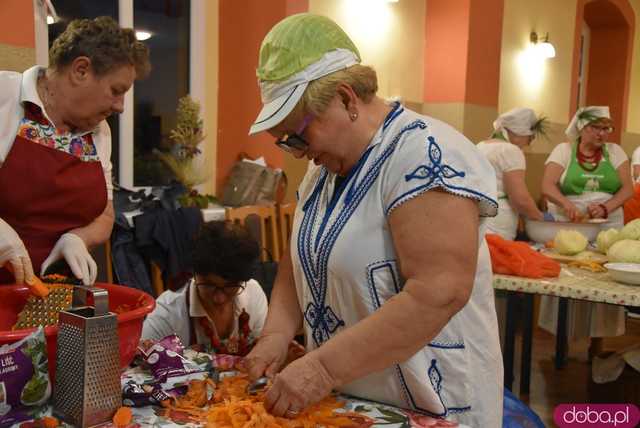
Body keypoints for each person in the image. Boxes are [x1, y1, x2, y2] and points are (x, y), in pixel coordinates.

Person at [244, 14, 502, 427]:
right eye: (284, 140)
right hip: (352, 403)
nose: (295, 152)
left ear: (347, 99)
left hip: (430, 405)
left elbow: (439, 291)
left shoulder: (425, 154)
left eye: (298, 136)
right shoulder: (322, 172)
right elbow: (299, 265)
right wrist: (276, 335)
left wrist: (322, 369)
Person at [0, 17, 150, 285]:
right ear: (81, 70)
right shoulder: (6, 97)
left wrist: (79, 238)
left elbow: (105, 214)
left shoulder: (99, 132)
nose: (120, 106)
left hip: (57, 296)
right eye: (116, 91)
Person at [539, 106, 632, 340]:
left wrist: (604, 207)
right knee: (569, 274)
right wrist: (567, 205)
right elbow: (547, 185)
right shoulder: (564, 151)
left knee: (604, 278)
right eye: (596, 128)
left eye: (606, 128)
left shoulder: (615, 151)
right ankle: (563, 338)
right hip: (573, 224)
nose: (602, 134)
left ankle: (599, 342)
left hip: (607, 222)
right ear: (582, 127)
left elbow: (627, 188)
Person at [141, 221, 269, 355]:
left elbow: (264, 349)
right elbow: (139, 362)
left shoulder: (253, 294)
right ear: (194, 274)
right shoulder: (167, 314)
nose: (219, 298)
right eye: (209, 285)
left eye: (230, 286)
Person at [477, 107, 549, 240]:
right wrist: (540, 217)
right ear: (517, 131)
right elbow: (520, 199)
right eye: (530, 136)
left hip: (478, 220)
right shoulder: (511, 151)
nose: (530, 141)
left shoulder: (480, 146)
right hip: (498, 223)